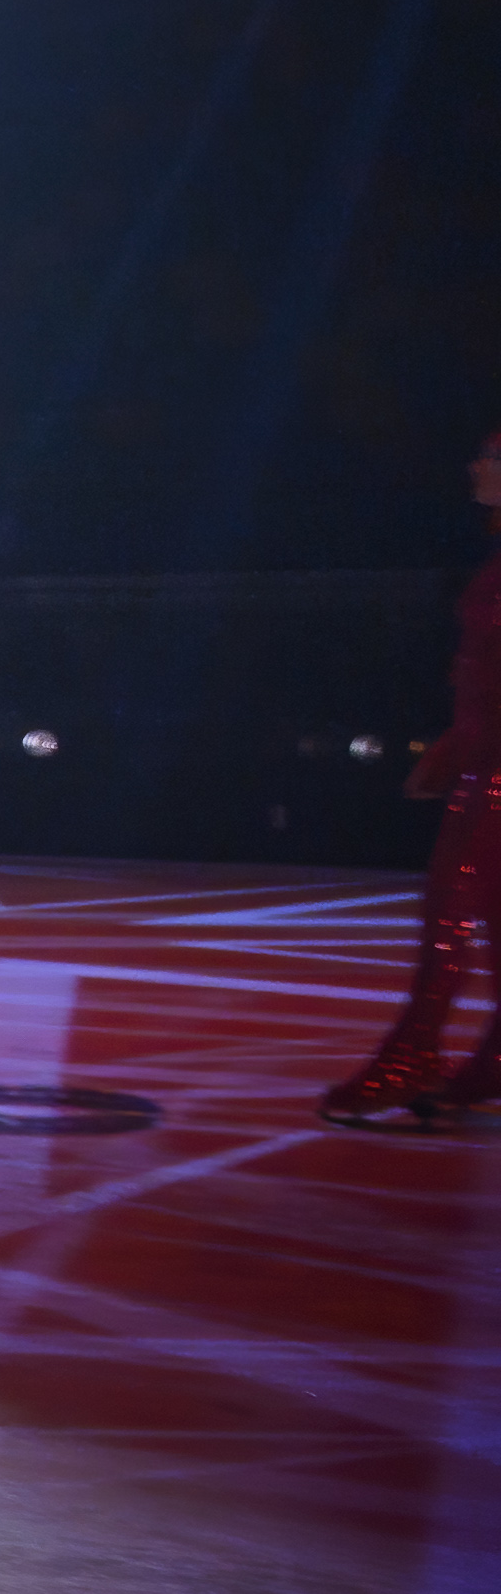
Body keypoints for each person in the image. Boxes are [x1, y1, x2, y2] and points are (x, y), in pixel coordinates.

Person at [323, 424, 501, 1124]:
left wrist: (469, 748)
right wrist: (456, 744)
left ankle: (413, 1058)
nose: (476, 466)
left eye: (492, 457)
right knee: (470, 912)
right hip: (484, 757)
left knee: (450, 912)